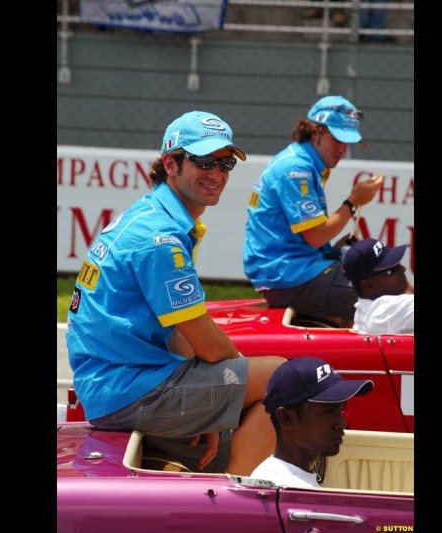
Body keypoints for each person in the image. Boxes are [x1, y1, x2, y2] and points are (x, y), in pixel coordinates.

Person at [66, 110, 286, 476]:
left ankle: (194, 477)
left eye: (225, 163)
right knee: (287, 380)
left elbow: (180, 334)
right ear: (171, 163)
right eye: (203, 161)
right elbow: (211, 347)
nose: (216, 174)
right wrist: (228, 387)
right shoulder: (160, 238)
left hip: (120, 383)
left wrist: (219, 397)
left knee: (250, 399)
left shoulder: (152, 217)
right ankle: (237, 509)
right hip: (128, 388)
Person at [242, 95, 384, 324]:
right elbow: (316, 236)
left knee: (388, 274)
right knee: (392, 294)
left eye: (347, 142)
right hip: (291, 277)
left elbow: (308, 237)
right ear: (314, 131)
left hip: (292, 271)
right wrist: (353, 202)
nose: (342, 149)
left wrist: (332, 250)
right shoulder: (296, 169)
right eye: (337, 139)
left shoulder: (301, 160)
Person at [250, 356, 374, 488]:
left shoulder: (286, 480)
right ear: (287, 418)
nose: (342, 423)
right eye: (329, 412)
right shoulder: (285, 490)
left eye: (341, 409)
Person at [341, 237, 414, 334]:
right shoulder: (383, 311)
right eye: (391, 270)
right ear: (369, 286)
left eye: (398, 263)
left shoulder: (368, 310)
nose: (403, 269)